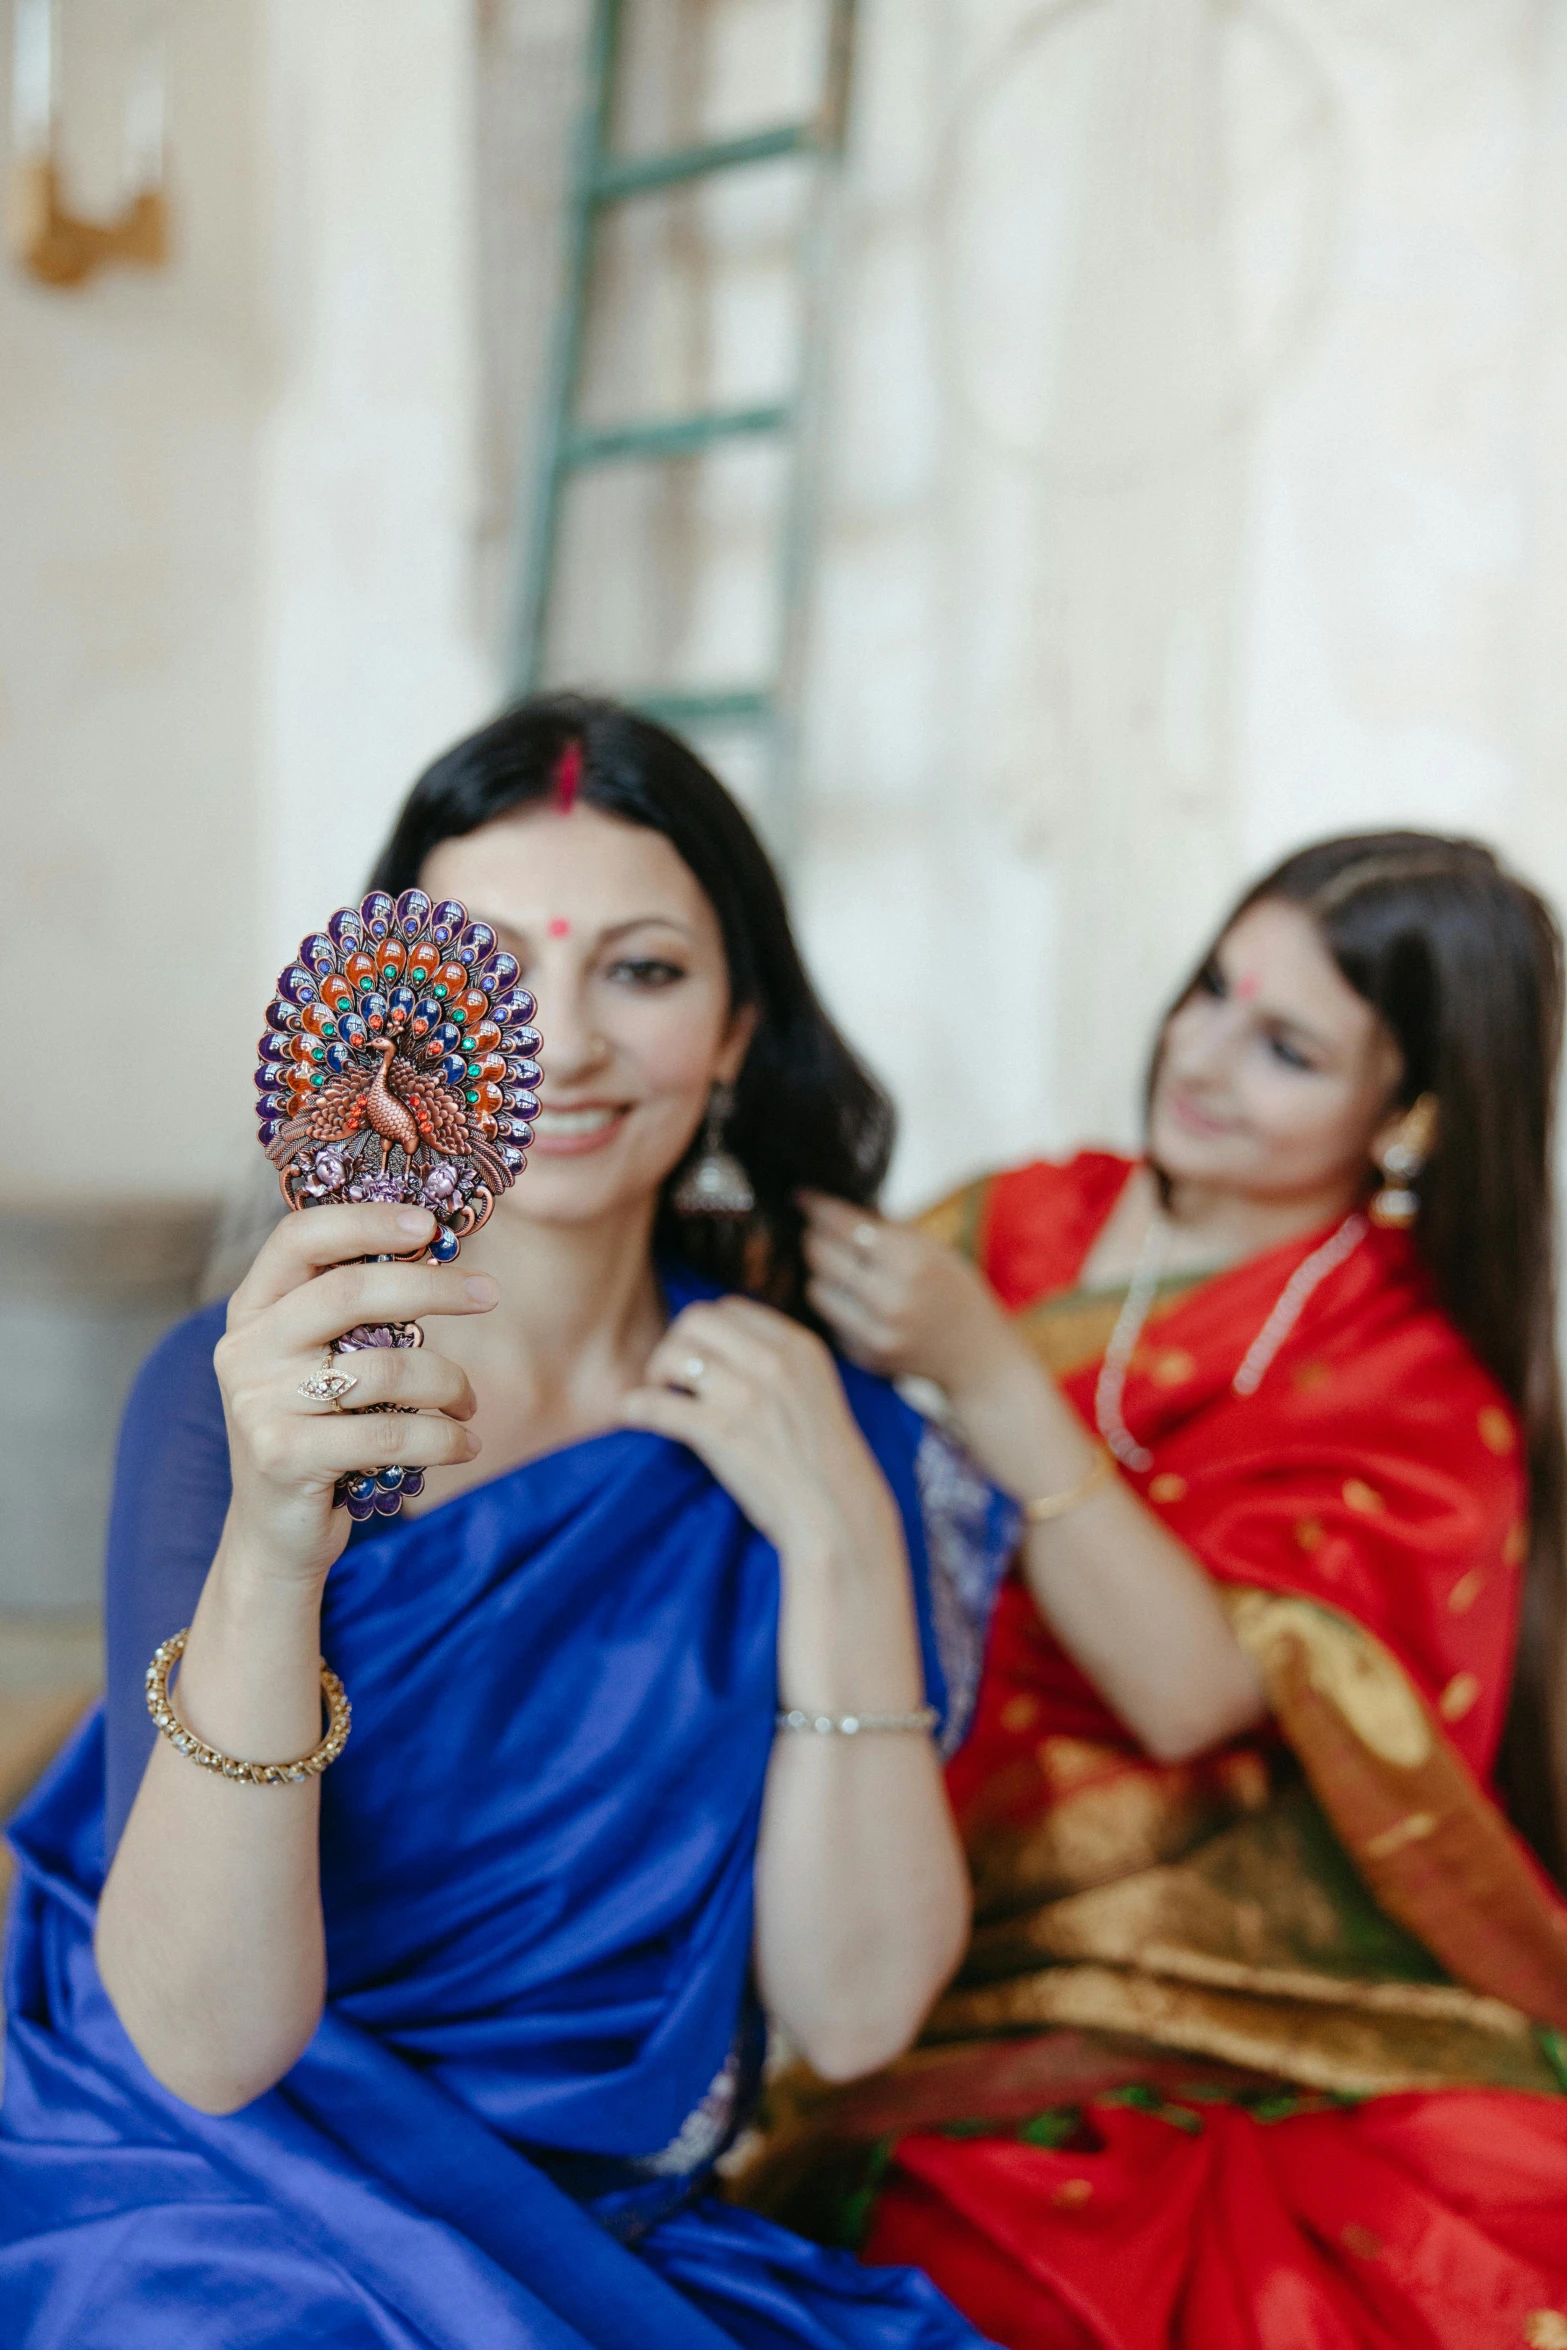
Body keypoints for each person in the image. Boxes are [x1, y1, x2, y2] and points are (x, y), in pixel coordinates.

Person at [0, 695, 1017, 2349]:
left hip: (587, 2234)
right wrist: (273, 1545)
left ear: (741, 1025)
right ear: (388, 1017)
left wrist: (836, 1531)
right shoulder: (237, 1392)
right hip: (196, 2180)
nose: (564, 1040)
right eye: (488, 973)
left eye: (643, 968)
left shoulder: (833, 1426)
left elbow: (856, 2006)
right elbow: (207, 2040)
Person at [746, 833, 1567, 2349]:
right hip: (911, 1872)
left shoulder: (1410, 1385)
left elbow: (1187, 1694)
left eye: (1284, 1048)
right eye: (1207, 990)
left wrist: (988, 1374)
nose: (1198, 1054)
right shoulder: (1031, 1217)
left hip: (1207, 1979)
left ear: (1412, 1114)